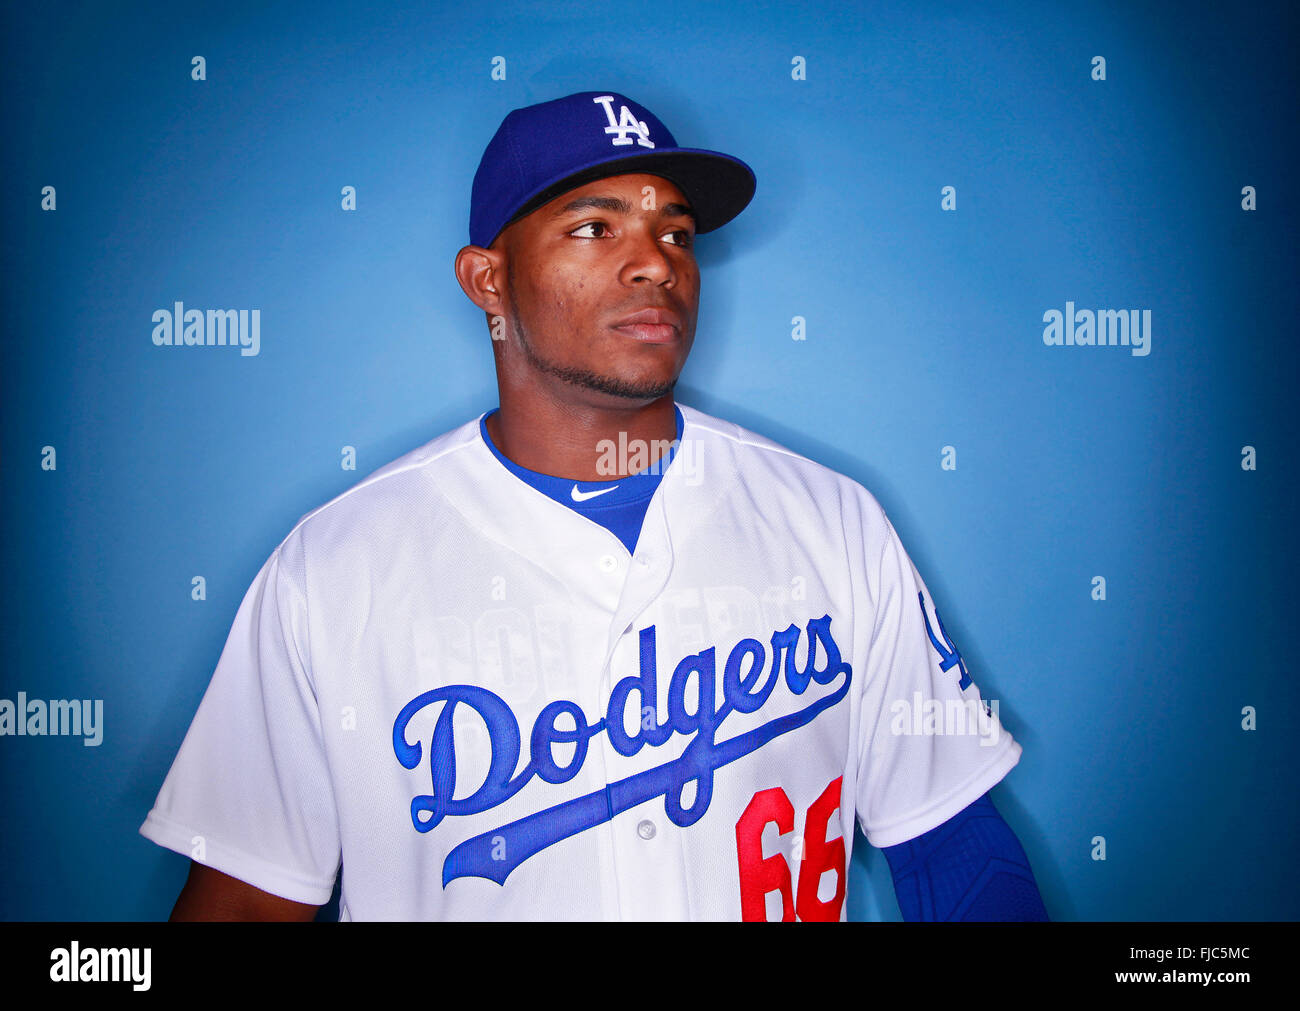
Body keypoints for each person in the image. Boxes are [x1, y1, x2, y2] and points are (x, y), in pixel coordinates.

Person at [142, 90, 1048, 922]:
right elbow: (246, 904)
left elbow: (956, 854)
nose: (654, 262)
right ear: (487, 280)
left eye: (676, 233)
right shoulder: (332, 569)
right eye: (593, 227)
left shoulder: (833, 520)